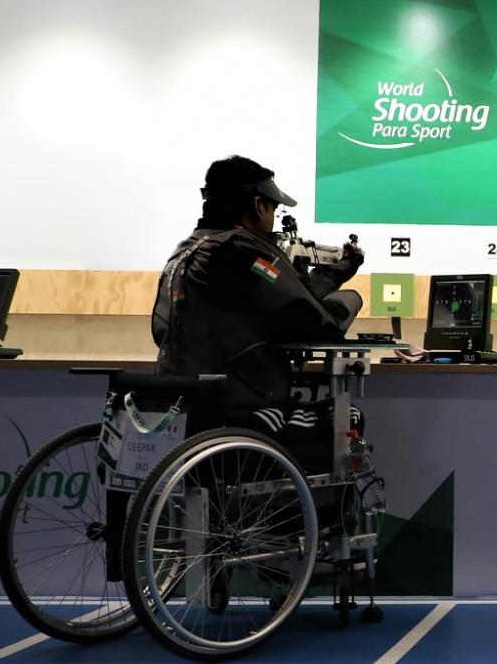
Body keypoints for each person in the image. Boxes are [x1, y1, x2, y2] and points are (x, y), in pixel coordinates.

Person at [152, 155, 364, 451]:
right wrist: (352, 298)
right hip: (237, 413)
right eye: (274, 208)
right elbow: (318, 324)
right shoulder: (239, 249)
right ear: (258, 205)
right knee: (347, 416)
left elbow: (291, 299)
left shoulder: (185, 252)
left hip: (183, 410)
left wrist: (336, 272)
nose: (273, 217)